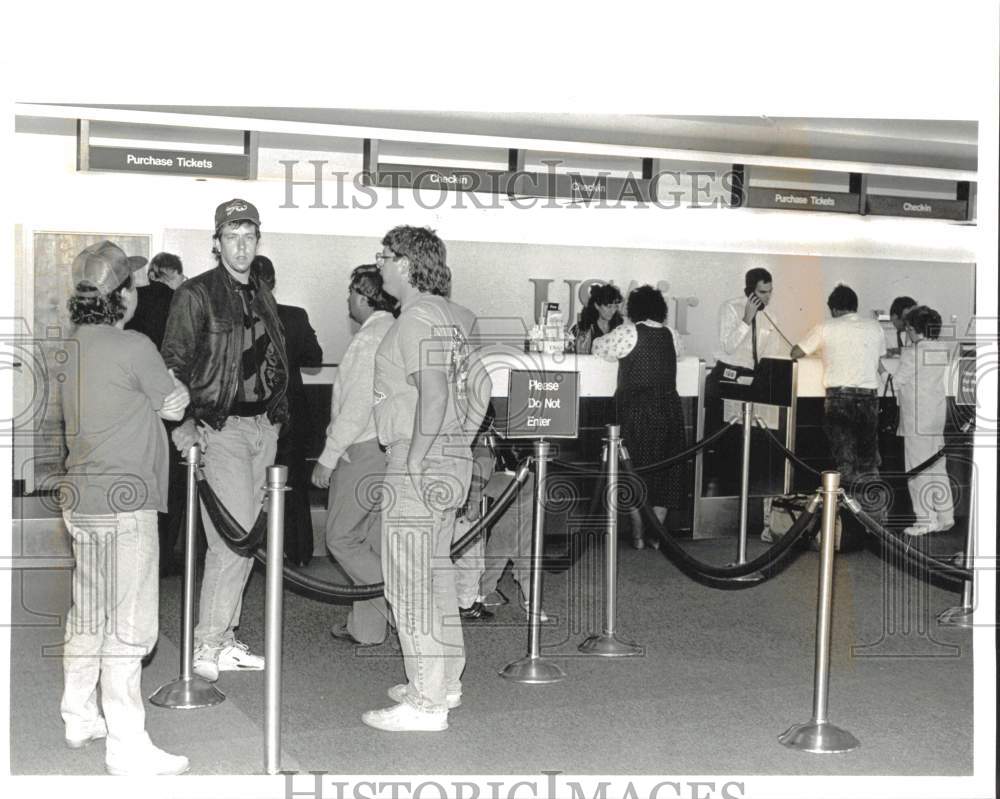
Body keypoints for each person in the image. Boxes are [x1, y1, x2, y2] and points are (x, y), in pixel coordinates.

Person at [59, 241, 190, 775]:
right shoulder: (134, 345)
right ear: (122, 296)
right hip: (126, 502)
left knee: (88, 612)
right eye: (132, 286)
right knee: (130, 626)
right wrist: (172, 388)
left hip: (81, 501)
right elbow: (174, 402)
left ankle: (78, 715)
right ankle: (126, 744)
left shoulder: (70, 346)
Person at [362, 225, 490, 732]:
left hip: (418, 464)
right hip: (451, 460)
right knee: (436, 577)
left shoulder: (415, 318)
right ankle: (444, 682)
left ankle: (425, 702)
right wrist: (458, 444)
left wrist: (416, 458)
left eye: (385, 256)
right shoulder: (451, 318)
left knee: (409, 584)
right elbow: (480, 389)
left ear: (408, 265)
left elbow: (433, 395)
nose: (380, 263)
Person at [161, 198, 289, 683]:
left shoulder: (261, 293)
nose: (241, 245)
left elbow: (272, 361)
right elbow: (172, 364)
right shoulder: (195, 295)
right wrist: (183, 426)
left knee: (244, 540)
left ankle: (225, 637)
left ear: (258, 241)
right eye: (232, 236)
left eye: (249, 236)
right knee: (232, 543)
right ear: (216, 243)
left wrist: (275, 421)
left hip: (262, 430)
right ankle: (208, 643)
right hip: (221, 428)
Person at [311, 264, 397, 645]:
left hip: (360, 450)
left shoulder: (368, 340)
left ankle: (399, 603)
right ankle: (367, 629)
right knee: (372, 540)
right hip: (387, 449)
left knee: (341, 539)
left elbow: (357, 406)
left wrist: (328, 457)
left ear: (363, 296)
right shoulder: (395, 330)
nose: (347, 299)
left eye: (351, 293)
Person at [594, 285, 686, 549]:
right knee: (667, 470)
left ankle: (637, 531)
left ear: (633, 309)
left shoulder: (627, 332)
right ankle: (657, 533)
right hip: (669, 408)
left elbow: (599, 349)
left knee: (632, 468)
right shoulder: (672, 334)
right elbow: (677, 355)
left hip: (635, 409)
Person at [253, 255, 324, 567]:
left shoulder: (238, 317)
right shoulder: (295, 316)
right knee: (293, 483)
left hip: (251, 411)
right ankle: (299, 552)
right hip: (292, 412)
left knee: (251, 485)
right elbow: (314, 359)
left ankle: (254, 552)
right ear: (274, 280)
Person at [791, 284, 886, 507]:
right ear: (855, 306)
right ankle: (873, 515)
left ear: (833, 309)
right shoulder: (874, 327)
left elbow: (796, 351)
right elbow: (878, 356)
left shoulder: (826, 326)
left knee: (844, 459)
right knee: (869, 460)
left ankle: (847, 517)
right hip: (869, 398)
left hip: (840, 399)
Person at [125, 251, 187, 576]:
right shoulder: (181, 303)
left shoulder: (136, 301)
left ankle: (139, 553)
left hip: (136, 405)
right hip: (170, 399)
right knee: (173, 482)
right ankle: (166, 556)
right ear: (174, 274)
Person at [704, 267, 788, 494]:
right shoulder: (731, 308)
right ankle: (721, 490)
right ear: (750, 291)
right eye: (762, 292)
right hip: (727, 376)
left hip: (752, 381)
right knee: (723, 440)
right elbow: (728, 346)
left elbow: (771, 355)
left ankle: (743, 490)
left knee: (748, 441)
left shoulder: (772, 318)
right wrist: (746, 319)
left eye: (770, 292)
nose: (767, 297)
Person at [893, 306, 955, 535]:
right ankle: (945, 516)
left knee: (917, 469)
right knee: (938, 466)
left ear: (912, 329)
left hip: (916, 419)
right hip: (936, 416)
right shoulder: (942, 348)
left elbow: (898, 380)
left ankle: (924, 520)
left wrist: (882, 370)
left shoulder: (913, 352)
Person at [572, 283, 623, 354]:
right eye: (609, 306)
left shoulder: (620, 327)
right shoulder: (582, 329)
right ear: (597, 305)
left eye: (615, 306)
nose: (613, 311)